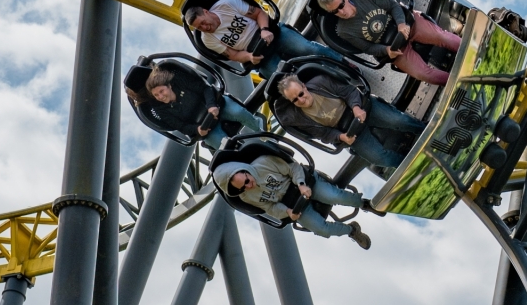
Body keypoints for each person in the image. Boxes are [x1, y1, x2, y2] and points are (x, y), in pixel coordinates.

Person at [313, 0, 461, 85]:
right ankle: (459, 82)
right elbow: (367, 47)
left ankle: (472, 49)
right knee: (423, 74)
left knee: (444, 37)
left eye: (340, 6)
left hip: (408, 24)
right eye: (335, 12)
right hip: (394, 48)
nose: (342, 12)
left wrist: (401, 23)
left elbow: (393, 5)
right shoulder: (343, 30)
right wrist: (386, 51)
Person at [212, 151, 372, 248]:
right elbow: (269, 208)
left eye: (246, 181)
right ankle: (352, 230)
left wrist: (302, 184)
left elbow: (292, 168)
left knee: (334, 196)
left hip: (303, 184)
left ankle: (365, 204)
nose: (248, 185)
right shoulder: (247, 196)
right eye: (242, 187)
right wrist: (287, 212)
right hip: (294, 205)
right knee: (322, 229)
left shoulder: (264, 163)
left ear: (244, 170)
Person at [275, 72, 425, 169]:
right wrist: (342, 137)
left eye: (301, 94)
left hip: (361, 109)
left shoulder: (321, 82)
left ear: (304, 86)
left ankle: (425, 130)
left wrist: (356, 108)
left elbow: (349, 91)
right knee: (380, 158)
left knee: (399, 121)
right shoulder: (300, 117)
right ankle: (414, 165)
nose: (301, 100)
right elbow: (323, 133)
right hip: (349, 131)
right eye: (295, 100)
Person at [184, 0, 342, 79]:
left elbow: (258, 13)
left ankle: (342, 63)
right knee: (284, 80)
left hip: (271, 34)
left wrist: (265, 29)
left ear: (206, 12)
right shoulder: (207, 39)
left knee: (308, 48)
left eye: (203, 23)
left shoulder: (227, 4)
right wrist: (249, 57)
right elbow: (233, 55)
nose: (205, 28)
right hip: (257, 53)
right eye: (200, 28)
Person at [140, 63, 262, 151]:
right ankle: (245, 155)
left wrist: (211, 105)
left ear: (169, 86)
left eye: (162, 91)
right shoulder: (161, 110)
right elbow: (181, 127)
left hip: (217, 106)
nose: (161, 96)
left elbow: (206, 88)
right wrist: (197, 130)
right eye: (156, 95)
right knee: (223, 146)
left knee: (238, 113)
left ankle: (259, 130)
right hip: (205, 126)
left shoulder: (181, 82)